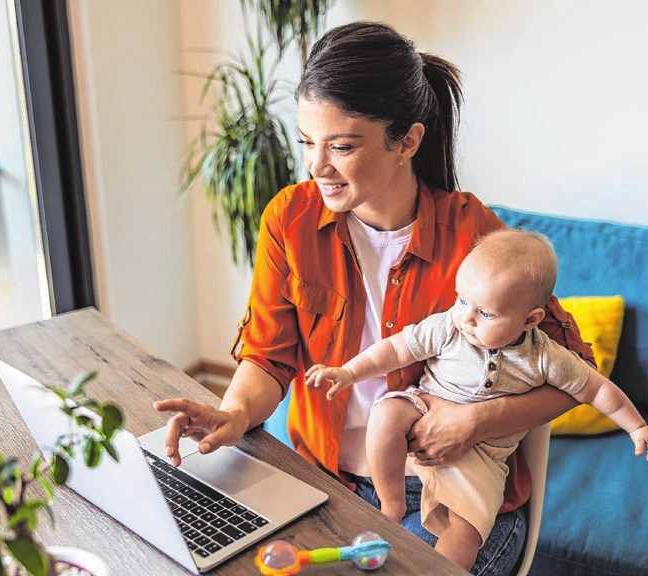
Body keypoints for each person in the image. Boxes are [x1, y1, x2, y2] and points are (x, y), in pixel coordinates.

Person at [155, 21, 597, 575]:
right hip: (318, 478)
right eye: (308, 143)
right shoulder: (289, 220)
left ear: (407, 141)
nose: (317, 167)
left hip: (445, 496)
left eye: (341, 146)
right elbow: (268, 359)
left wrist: (476, 423)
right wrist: (233, 412)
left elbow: (579, 372)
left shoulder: (474, 237)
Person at [305, 228, 648, 571]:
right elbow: (397, 349)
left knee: (467, 530)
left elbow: (597, 388)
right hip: (425, 408)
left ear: (530, 320)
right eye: (463, 300)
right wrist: (349, 372)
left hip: (483, 459)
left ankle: (439, 570)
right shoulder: (450, 325)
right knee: (385, 412)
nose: (467, 317)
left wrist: (637, 427)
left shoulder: (544, 357)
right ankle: (391, 504)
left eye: (486, 313)